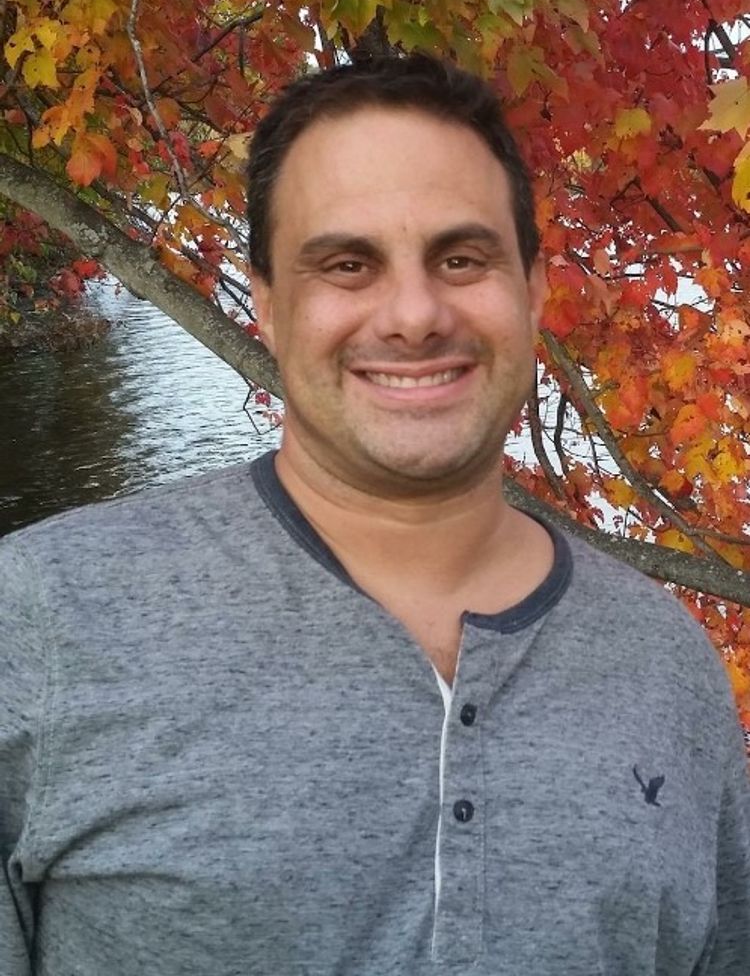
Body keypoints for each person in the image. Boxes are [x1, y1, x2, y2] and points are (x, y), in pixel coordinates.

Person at [1, 53, 748, 976]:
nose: (414, 315)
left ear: (533, 290)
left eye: (461, 258)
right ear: (268, 305)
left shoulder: (666, 666)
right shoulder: (47, 619)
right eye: (347, 265)